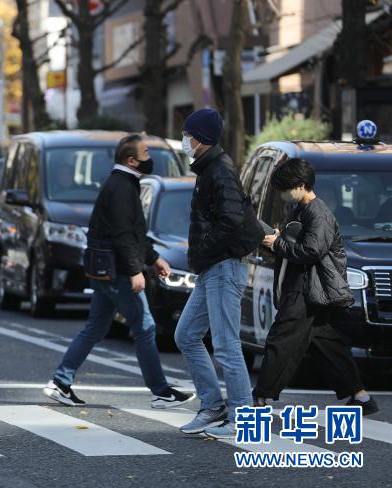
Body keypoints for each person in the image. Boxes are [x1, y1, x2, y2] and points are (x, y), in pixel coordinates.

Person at [43, 135, 195, 409]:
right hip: (117, 272)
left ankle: (60, 382)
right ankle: (161, 391)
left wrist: (154, 258)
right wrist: (136, 270)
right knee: (145, 327)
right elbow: (124, 234)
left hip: (105, 269)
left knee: (96, 327)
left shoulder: (121, 184)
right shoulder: (122, 187)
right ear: (131, 160)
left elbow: (134, 232)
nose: (150, 158)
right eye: (146, 153)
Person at [255, 158, 378, 415]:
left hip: (306, 289)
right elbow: (298, 243)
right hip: (308, 288)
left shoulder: (317, 212)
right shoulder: (300, 209)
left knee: (281, 340)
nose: (282, 193)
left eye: (285, 188)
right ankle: (361, 396)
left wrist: (277, 244)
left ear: (301, 185)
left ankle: (259, 399)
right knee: (327, 344)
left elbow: (312, 251)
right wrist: (278, 239)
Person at [174, 109, 253, 440]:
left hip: (223, 266)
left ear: (201, 139)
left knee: (226, 345)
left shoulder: (219, 169)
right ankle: (212, 407)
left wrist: (204, 249)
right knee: (186, 335)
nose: (185, 140)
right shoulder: (209, 168)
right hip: (212, 268)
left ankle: (243, 416)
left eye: (187, 134)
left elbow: (231, 220)